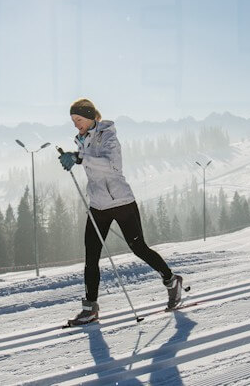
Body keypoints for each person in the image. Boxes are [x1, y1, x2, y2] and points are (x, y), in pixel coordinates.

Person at [58, 98, 184, 326]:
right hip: (98, 205)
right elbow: (88, 164)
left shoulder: (108, 136)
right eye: (73, 121)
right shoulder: (82, 140)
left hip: (121, 202)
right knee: (91, 257)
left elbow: (112, 165)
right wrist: (74, 157)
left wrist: (79, 158)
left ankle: (171, 280)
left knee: (139, 248)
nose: (76, 125)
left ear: (89, 116)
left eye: (78, 120)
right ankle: (90, 309)